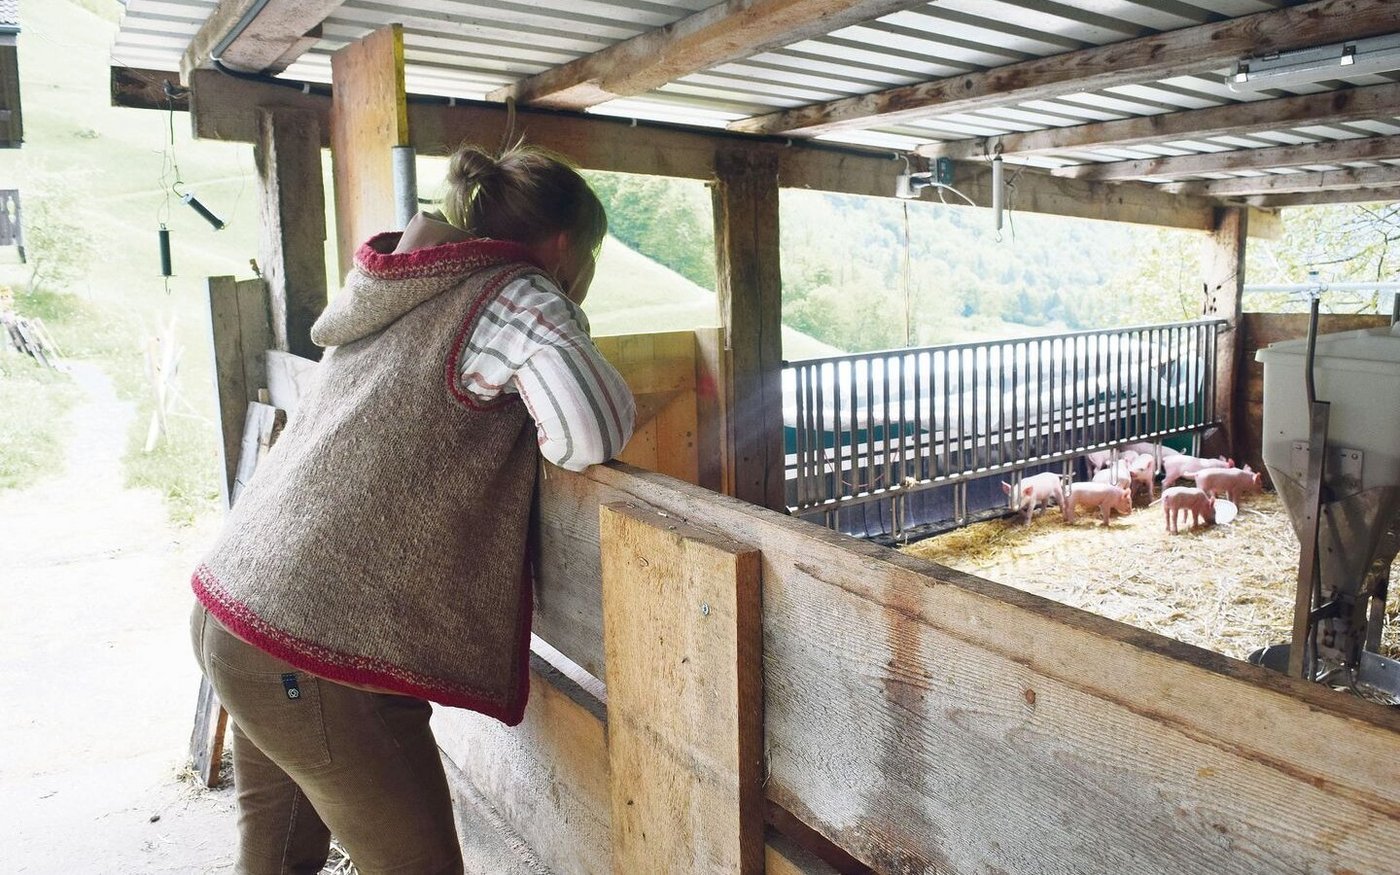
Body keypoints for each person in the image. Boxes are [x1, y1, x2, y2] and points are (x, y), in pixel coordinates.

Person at [188, 142, 635, 874]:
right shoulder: (513, 291)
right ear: (562, 245)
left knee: (274, 856)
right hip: (310, 646)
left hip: (238, 612)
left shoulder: (407, 285)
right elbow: (591, 430)